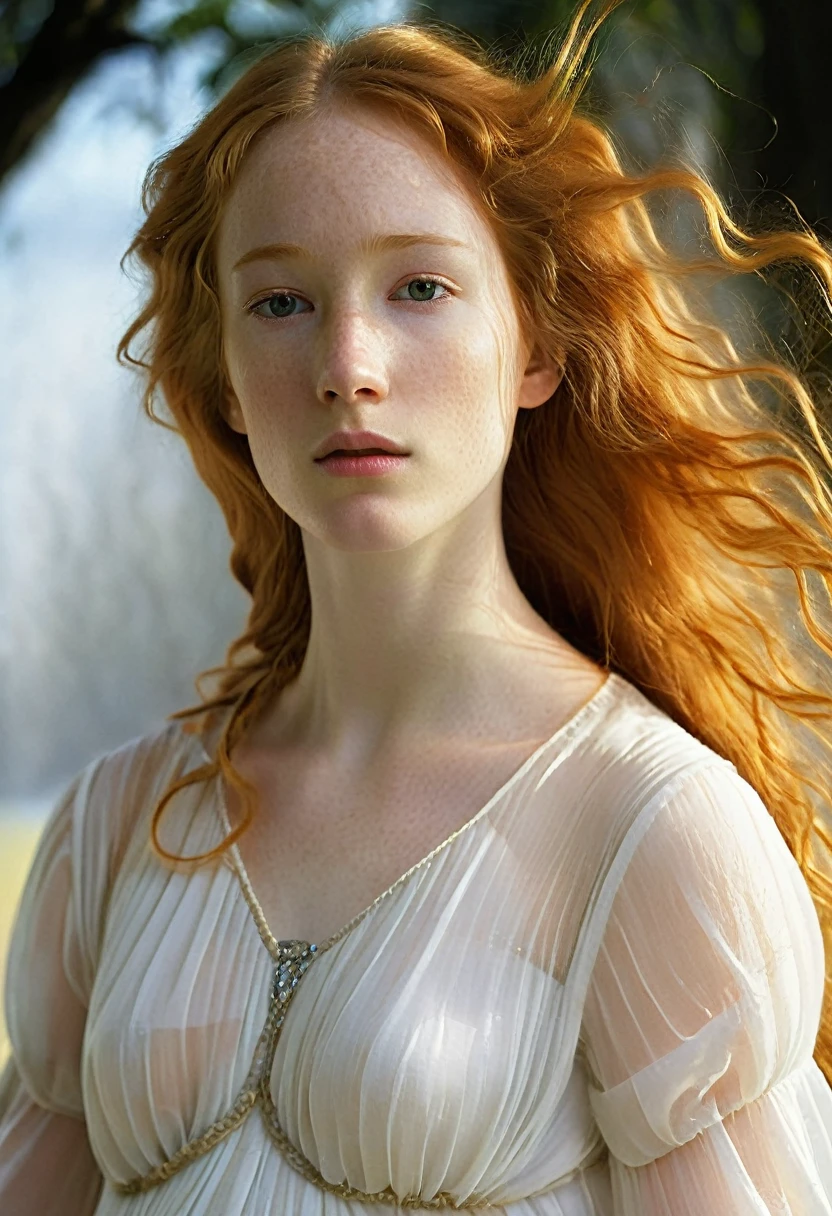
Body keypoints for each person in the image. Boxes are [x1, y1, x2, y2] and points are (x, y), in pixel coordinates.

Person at [3, 0, 832, 1210]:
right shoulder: (113, 827)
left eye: (420, 288)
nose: (349, 362)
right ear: (225, 376)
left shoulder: (651, 831)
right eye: (280, 302)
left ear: (535, 349)